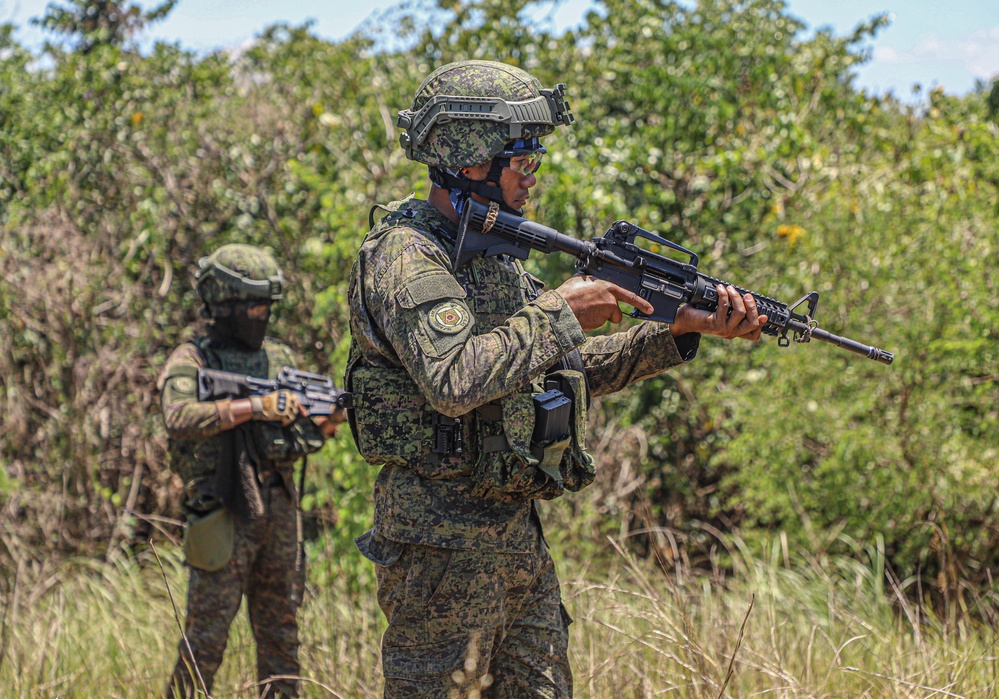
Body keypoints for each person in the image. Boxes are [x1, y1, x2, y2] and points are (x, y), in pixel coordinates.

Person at [345, 60, 768, 698]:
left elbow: (569, 369)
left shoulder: (497, 263)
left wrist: (681, 332)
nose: (532, 180)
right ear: (470, 158)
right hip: (439, 551)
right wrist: (558, 312)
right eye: (523, 163)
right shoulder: (406, 256)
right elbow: (454, 380)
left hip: (517, 540)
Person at [158, 243, 346, 699]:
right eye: (253, 307)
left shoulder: (276, 357)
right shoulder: (193, 358)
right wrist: (253, 407)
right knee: (207, 636)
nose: (262, 316)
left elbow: (295, 438)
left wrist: (325, 422)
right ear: (223, 304)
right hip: (222, 508)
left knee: (281, 632)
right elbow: (177, 416)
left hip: (277, 507)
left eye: (267, 307)